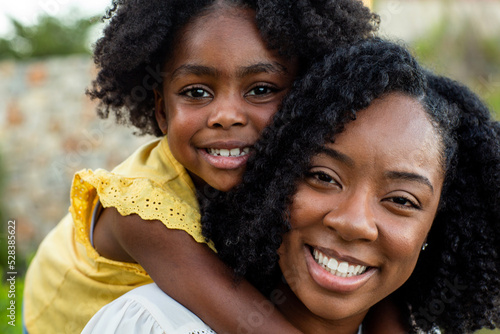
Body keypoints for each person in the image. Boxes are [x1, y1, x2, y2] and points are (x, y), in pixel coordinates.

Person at [83, 38, 500, 333]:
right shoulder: (149, 323)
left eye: (402, 200)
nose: (354, 223)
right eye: (322, 177)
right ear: (271, 175)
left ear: (435, 225)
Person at [22, 0, 379, 333]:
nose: (226, 116)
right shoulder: (142, 212)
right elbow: (250, 324)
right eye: (196, 92)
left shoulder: (291, 169)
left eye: (260, 89)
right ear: (162, 111)